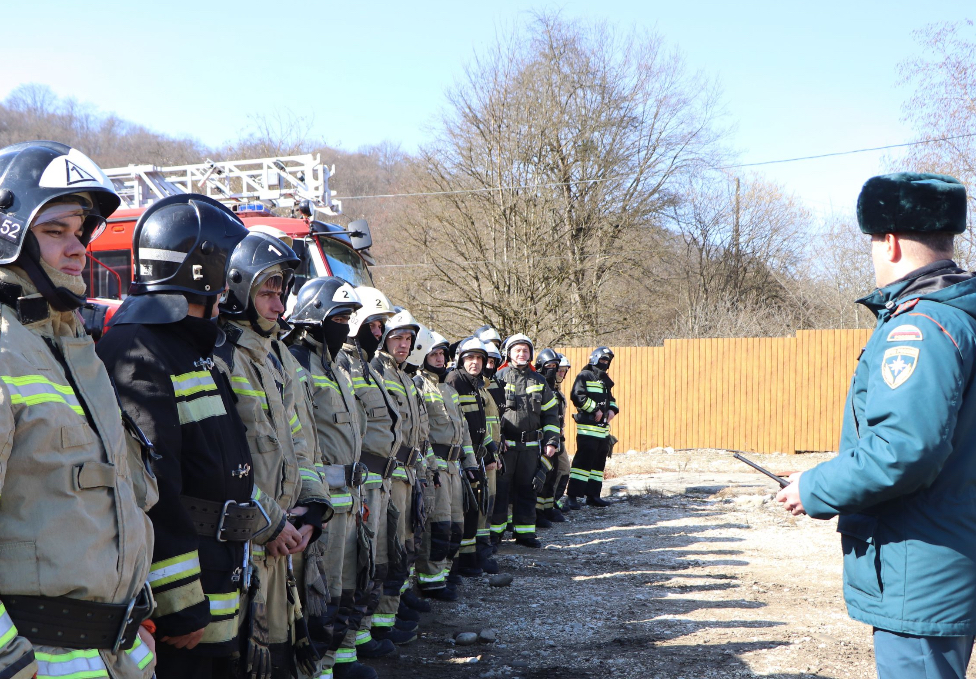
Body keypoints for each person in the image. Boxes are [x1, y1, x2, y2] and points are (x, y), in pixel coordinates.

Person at [775, 173, 976, 679]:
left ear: (888, 241)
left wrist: (814, 487)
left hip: (922, 567)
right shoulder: (961, 313)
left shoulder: (920, 324)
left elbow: (903, 449)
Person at [0, 141, 156, 679]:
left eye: (80, 231)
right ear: (10, 236)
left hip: (114, 653)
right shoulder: (3, 350)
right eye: (54, 231)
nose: (78, 248)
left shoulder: (73, 346)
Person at [98, 193, 260, 679]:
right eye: (226, 266)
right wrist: (179, 603)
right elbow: (152, 489)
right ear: (201, 270)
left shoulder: (190, 344)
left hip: (219, 565)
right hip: (187, 592)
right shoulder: (139, 350)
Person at [213, 231, 332, 679]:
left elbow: (298, 440)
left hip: (282, 541)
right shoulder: (220, 356)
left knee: (282, 659)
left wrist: (312, 508)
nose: (279, 306)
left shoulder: (273, 357)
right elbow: (224, 463)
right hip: (245, 549)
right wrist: (271, 524)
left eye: (281, 293)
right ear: (238, 288)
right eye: (268, 292)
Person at [413, 332, 479, 598]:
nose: (439, 359)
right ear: (423, 356)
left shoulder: (449, 390)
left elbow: (463, 430)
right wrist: (428, 467)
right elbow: (420, 432)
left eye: (442, 354)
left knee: (455, 525)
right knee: (437, 525)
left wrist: (470, 462)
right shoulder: (418, 385)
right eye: (433, 355)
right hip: (435, 467)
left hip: (454, 467)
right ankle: (431, 581)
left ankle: (444, 573)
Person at [491, 334, 560, 548]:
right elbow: (491, 414)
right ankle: (495, 534)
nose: (522, 354)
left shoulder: (539, 381)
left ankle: (525, 533)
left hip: (530, 447)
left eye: (526, 350)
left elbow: (551, 414)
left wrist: (552, 441)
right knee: (501, 491)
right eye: (517, 350)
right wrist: (497, 439)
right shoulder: (498, 378)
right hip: (506, 447)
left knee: (528, 490)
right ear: (508, 353)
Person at [447, 337, 501, 576]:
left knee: (475, 510)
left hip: (477, 455)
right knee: (464, 510)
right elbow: (457, 425)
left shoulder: (476, 384)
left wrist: (491, 450)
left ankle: (471, 559)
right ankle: (460, 563)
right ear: (460, 359)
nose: (475, 363)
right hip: (462, 458)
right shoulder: (455, 381)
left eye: (479, 358)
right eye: (470, 358)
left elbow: (481, 425)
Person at [566, 347, 618, 508]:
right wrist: (594, 409)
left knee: (598, 464)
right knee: (582, 463)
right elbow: (577, 396)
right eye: (602, 359)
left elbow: (611, 399)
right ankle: (572, 497)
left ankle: (593, 495)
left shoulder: (604, 379)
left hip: (602, 430)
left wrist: (612, 409)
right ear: (594, 359)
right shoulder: (584, 375)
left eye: (607, 360)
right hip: (587, 429)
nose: (604, 363)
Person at [534, 349, 568, 525]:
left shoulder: (555, 390)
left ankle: (548, 507)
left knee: (554, 474)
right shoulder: (537, 386)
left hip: (555, 439)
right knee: (543, 475)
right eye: (550, 367)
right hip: (541, 440)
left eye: (556, 367)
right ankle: (537, 512)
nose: (554, 371)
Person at [552, 353, 573, 514]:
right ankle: (548, 503)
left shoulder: (559, 391)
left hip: (559, 438)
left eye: (564, 371)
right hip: (549, 438)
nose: (561, 374)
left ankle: (555, 500)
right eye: (559, 370)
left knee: (564, 469)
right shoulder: (546, 389)